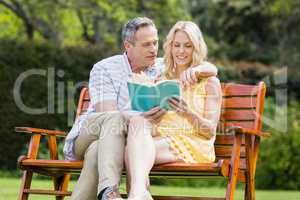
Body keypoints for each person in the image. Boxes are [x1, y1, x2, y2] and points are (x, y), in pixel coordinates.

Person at [64, 17, 218, 200]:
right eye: (146, 45)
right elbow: (107, 113)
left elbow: (205, 67)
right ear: (128, 46)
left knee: (99, 151)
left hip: (131, 139)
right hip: (94, 131)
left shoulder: (161, 68)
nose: (153, 49)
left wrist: (200, 70)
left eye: (155, 43)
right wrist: (144, 116)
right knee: (117, 120)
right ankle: (116, 194)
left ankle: (128, 195)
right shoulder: (105, 68)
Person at [125, 21, 222, 200]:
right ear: (170, 47)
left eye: (187, 46)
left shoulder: (209, 82)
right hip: (161, 136)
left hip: (193, 142)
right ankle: (139, 194)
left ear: (196, 48)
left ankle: (136, 194)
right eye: (176, 45)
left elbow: (209, 131)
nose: (181, 51)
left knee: (132, 154)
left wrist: (187, 112)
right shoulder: (163, 78)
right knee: (137, 123)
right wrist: (150, 110)